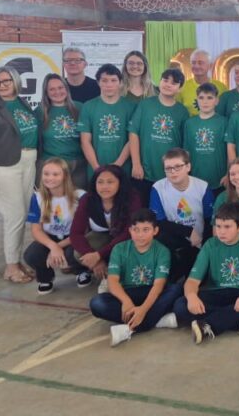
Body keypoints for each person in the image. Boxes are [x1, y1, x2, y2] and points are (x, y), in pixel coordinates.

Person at [175, 201, 239, 344]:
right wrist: (191, 296)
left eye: (227, 227)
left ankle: (208, 325)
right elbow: (192, 281)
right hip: (218, 293)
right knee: (181, 304)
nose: (221, 231)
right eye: (218, 226)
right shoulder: (210, 245)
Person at [0, 66, 38, 285]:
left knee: (22, 216)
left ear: (15, 82)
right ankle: (11, 266)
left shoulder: (22, 103)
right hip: (5, 167)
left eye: (6, 81)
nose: (2, 85)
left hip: (28, 163)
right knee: (15, 215)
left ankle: (17, 260)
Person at [89, 208, 182, 347]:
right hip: (128, 293)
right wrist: (127, 302)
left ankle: (129, 328)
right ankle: (157, 320)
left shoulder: (162, 251)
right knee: (97, 303)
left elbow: (158, 286)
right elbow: (113, 281)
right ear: (130, 230)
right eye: (136, 230)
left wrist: (143, 310)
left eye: (146, 230)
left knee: (175, 290)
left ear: (155, 231)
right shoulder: (119, 249)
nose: (140, 235)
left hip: (151, 292)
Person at [69, 165, 143, 286]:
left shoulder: (132, 198)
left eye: (110, 182)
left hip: (128, 239)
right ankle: (105, 274)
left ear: (120, 183)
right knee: (78, 252)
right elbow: (75, 233)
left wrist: (99, 255)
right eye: (100, 182)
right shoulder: (88, 199)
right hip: (104, 238)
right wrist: (97, 260)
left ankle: (118, 275)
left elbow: (129, 232)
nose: (104, 187)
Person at [23, 158, 85, 294]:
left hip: (73, 237)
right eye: (46, 174)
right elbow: (36, 229)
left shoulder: (79, 196)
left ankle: (82, 271)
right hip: (50, 237)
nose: (50, 178)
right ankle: (45, 278)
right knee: (31, 255)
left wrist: (59, 247)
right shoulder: (37, 197)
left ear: (65, 176)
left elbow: (82, 231)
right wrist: (53, 246)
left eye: (55, 174)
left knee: (73, 254)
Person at [150, 148, 214, 279]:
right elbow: (159, 222)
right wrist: (188, 231)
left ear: (188, 167)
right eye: (168, 168)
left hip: (200, 241)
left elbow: (210, 220)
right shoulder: (158, 188)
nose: (173, 172)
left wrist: (204, 245)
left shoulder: (202, 187)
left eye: (178, 167)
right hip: (174, 239)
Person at [128, 68, 188, 202]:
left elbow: (184, 144)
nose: (168, 84)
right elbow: (133, 133)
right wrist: (136, 163)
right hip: (144, 172)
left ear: (179, 88)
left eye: (173, 83)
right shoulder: (145, 105)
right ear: (159, 82)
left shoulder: (182, 111)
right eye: (165, 80)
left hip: (171, 174)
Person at [79, 64, 136, 181]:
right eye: (104, 80)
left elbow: (132, 140)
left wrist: (117, 165)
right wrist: (96, 167)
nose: (109, 85)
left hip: (123, 169)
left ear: (120, 83)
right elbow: (85, 141)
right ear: (98, 82)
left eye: (113, 80)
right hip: (95, 169)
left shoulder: (131, 107)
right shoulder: (88, 107)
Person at [39, 74, 85, 189]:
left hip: (77, 166)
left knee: (77, 203)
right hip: (51, 166)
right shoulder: (40, 111)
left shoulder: (80, 108)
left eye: (60, 87)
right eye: (52, 89)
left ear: (66, 89)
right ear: (46, 92)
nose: (57, 92)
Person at [182, 82, 228, 192]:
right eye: (201, 98)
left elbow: (230, 151)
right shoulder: (189, 123)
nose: (205, 102)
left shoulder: (224, 122)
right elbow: (186, 152)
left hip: (220, 180)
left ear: (216, 101)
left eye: (209, 98)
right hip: (195, 180)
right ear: (197, 100)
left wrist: (228, 173)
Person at [178, 49, 227, 116]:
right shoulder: (182, 87)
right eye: (193, 63)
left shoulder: (221, 87)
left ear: (210, 66)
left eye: (200, 63)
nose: (197, 66)